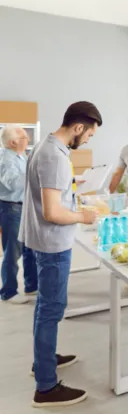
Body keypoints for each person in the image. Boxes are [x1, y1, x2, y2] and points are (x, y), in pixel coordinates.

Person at [20, 101, 101, 408]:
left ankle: (43, 359)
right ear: (78, 127)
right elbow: (53, 212)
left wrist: (71, 183)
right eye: (89, 135)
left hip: (44, 241)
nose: (87, 141)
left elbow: (48, 193)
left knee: (45, 307)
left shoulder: (46, 146)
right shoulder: (55, 156)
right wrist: (83, 217)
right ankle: (46, 385)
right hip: (53, 243)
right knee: (51, 309)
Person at [0, 126, 37, 304]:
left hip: (24, 206)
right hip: (12, 208)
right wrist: (34, 174)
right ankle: (8, 292)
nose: (27, 140)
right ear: (13, 141)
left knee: (30, 248)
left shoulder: (21, 157)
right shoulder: (6, 159)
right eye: (24, 137)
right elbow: (13, 184)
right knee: (12, 251)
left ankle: (31, 286)